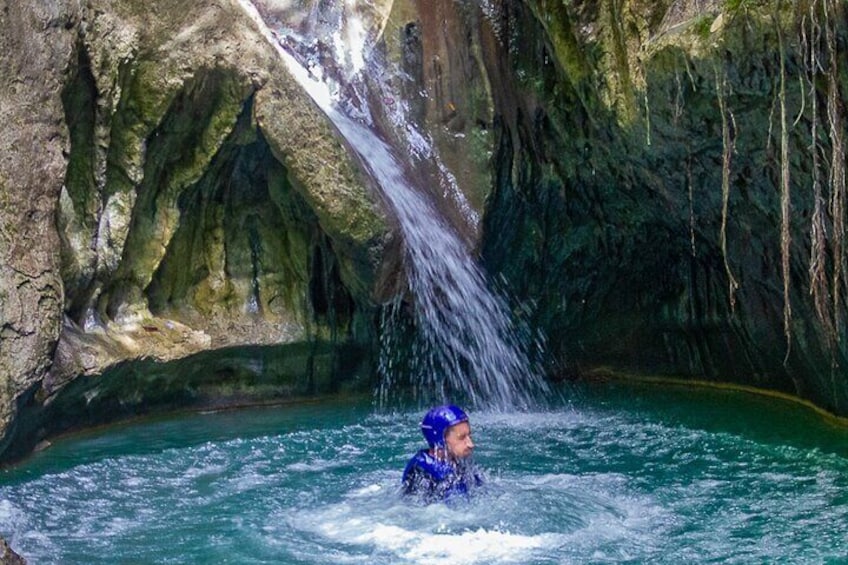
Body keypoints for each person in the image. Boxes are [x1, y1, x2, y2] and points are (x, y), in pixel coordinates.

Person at [401, 404, 482, 502]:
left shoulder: (461, 462)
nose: (470, 444)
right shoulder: (422, 471)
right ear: (440, 440)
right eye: (461, 438)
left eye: (469, 436)